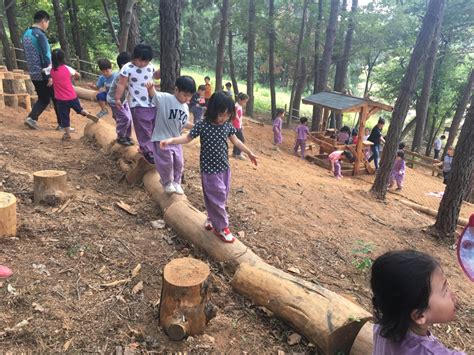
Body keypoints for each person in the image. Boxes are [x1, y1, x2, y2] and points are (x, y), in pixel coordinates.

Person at [160, 92, 257, 243]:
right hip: (209, 170)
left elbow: (236, 141)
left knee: (221, 197)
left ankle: (212, 218)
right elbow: (187, 137)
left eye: (227, 115)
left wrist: (249, 152)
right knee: (217, 196)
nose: (223, 118)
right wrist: (172, 140)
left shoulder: (226, 125)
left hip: (224, 168)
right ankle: (222, 228)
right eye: (220, 115)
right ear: (212, 110)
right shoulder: (203, 125)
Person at [371, 250, 465, 355]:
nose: (453, 293)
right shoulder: (429, 352)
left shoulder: (384, 324)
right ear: (419, 315)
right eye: (445, 290)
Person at [148, 76, 196, 195]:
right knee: (167, 161)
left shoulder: (185, 107)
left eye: (190, 96)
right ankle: (167, 182)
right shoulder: (165, 98)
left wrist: (196, 126)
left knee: (179, 163)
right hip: (162, 138)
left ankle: (176, 182)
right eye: (185, 94)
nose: (187, 98)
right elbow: (154, 95)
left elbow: (184, 123)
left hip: (176, 140)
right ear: (176, 90)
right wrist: (150, 87)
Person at [114, 44, 160, 164]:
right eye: (141, 60)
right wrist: (118, 98)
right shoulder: (127, 68)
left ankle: (152, 148)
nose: (143, 63)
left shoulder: (150, 66)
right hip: (137, 104)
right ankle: (147, 151)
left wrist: (163, 69)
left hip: (153, 102)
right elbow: (121, 84)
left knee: (154, 127)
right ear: (134, 57)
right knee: (143, 128)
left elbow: (155, 76)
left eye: (146, 61)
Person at [23, 10, 61, 130]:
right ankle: (63, 124)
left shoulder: (26, 34)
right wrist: (50, 75)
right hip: (44, 72)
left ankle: (32, 118)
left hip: (33, 72)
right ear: (43, 21)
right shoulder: (40, 35)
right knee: (56, 97)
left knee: (44, 98)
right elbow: (46, 55)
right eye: (47, 22)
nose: (47, 25)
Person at [44, 49, 89, 140]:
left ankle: (67, 134)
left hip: (60, 99)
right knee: (79, 109)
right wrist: (73, 76)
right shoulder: (67, 68)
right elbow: (78, 75)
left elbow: (44, 71)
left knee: (64, 117)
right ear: (63, 58)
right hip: (72, 96)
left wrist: (52, 79)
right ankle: (84, 112)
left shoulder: (51, 69)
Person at [106, 52, 133, 146]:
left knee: (130, 118)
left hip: (123, 101)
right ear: (123, 65)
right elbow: (126, 87)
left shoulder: (128, 74)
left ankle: (127, 136)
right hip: (114, 101)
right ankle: (120, 136)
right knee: (125, 118)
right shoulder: (120, 76)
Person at [232, 93, 249, 160]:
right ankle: (238, 153)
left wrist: (241, 123)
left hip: (238, 125)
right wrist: (239, 123)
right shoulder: (236, 106)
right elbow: (235, 116)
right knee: (241, 139)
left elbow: (239, 116)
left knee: (237, 139)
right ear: (240, 100)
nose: (245, 103)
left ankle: (236, 152)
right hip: (236, 126)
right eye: (244, 101)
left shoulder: (239, 106)